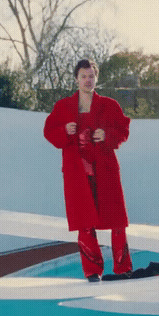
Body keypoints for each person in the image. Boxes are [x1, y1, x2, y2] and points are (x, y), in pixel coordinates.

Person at [44, 59, 133, 282]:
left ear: (96, 78)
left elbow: (123, 130)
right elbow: (49, 132)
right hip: (77, 173)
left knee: (117, 221)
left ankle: (124, 268)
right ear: (76, 79)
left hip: (105, 169)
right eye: (83, 76)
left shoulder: (110, 105)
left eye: (91, 76)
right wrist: (64, 129)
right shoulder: (63, 107)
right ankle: (93, 272)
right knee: (84, 222)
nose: (87, 80)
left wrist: (107, 135)